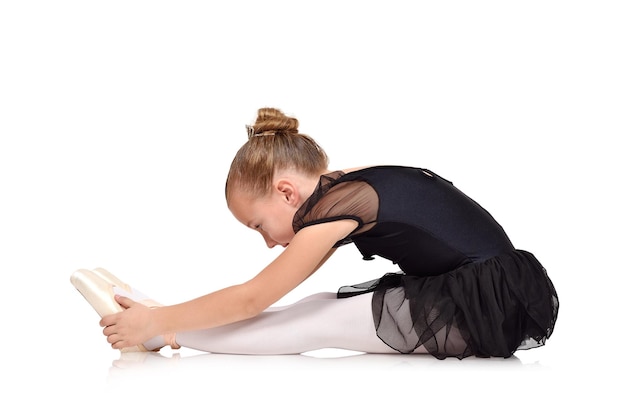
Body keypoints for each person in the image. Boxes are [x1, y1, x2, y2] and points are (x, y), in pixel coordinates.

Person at [71, 107, 559, 359]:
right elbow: (280, 288)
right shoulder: (349, 184)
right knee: (317, 306)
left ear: (286, 192)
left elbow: (252, 297)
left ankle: (164, 332)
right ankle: (164, 320)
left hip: (481, 311)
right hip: (485, 293)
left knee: (316, 324)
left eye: (258, 225)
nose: (266, 240)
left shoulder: (336, 207)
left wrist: (160, 320)